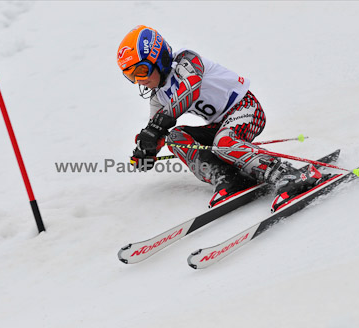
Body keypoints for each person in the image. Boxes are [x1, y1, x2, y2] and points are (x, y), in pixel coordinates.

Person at [117, 25, 328, 211]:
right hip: (220, 125)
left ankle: (286, 174)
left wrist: (160, 123)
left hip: (246, 108)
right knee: (176, 138)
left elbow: (190, 88)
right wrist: (146, 149)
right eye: (130, 76)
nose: (139, 80)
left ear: (160, 58)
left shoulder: (185, 60)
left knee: (224, 142)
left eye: (142, 70)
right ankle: (228, 177)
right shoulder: (158, 96)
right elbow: (156, 129)